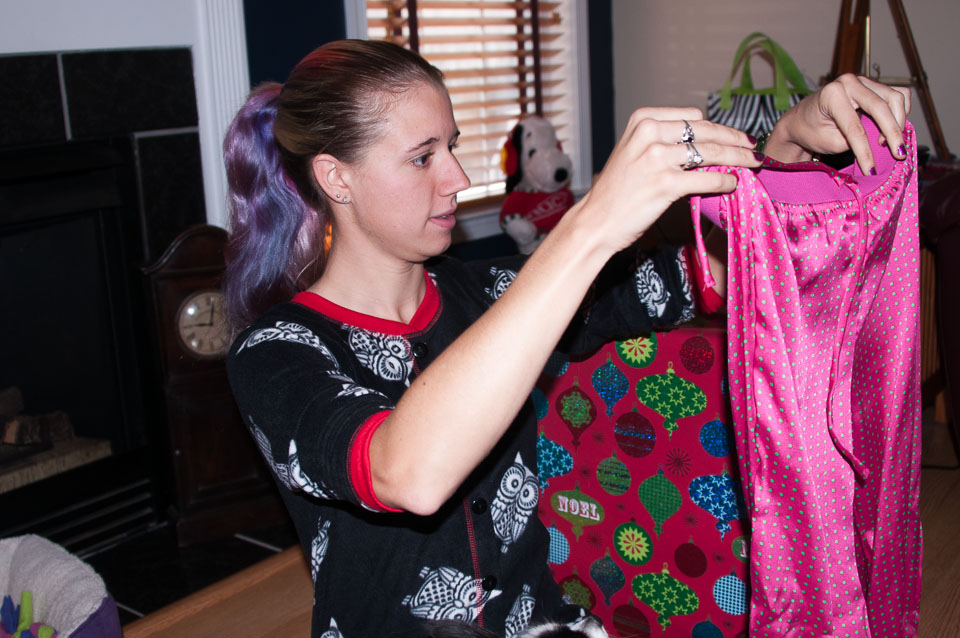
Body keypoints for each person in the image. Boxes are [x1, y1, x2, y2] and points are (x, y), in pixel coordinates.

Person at [222, 39, 909, 638]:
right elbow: (406, 474)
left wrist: (787, 145)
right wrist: (590, 224)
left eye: (452, 146)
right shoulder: (275, 353)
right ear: (336, 177)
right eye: (423, 157)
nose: (458, 178)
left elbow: (720, 273)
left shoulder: (491, 293)